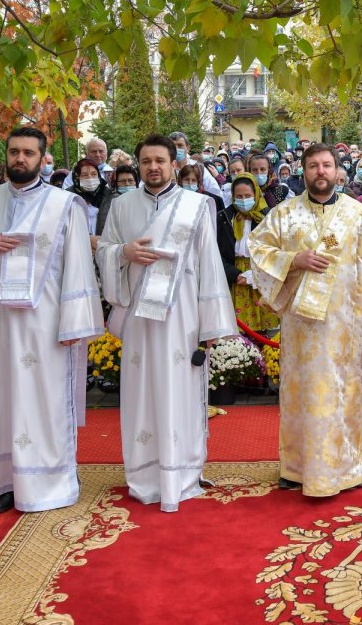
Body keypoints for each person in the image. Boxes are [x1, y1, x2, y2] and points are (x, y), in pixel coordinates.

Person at [0, 127, 103, 514]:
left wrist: (75, 324)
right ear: (6, 154)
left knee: (42, 401)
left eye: (29, 153)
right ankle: (3, 482)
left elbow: (79, 268)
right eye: (15, 152)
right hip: (0, 321)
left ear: (42, 158)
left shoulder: (65, 204)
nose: (21, 159)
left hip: (45, 323)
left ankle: (44, 483)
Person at [248, 144, 362, 496]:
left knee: (345, 394)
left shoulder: (358, 215)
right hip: (301, 329)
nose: (320, 172)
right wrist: (294, 260)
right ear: (304, 171)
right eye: (313, 166)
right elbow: (258, 252)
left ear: (339, 172)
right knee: (300, 394)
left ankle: (347, 467)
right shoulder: (283, 214)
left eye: (326, 165)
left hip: (345, 329)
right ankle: (295, 468)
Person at [97, 134, 237, 512]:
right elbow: (105, 251)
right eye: (146, 161)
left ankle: (183, 474)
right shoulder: (122, 206)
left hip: (183, 317)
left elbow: (209, 264)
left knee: (180, 391)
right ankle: (144, 477)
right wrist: (123, 252)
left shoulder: (197, 205)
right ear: (138, 165)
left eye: (160, 160)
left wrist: (210, 327)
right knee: (142, 392)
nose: (153, 167)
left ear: (174, 164)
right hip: (139, 318)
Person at [216, 174, 278, 333]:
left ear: (256, 194)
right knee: (237, 331)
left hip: (261, 277)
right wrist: (235, 274)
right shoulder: (224, 218)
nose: (243, 200)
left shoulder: (269, 218)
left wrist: (254, 275)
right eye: (239, 196)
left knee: (266, 333)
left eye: (248, 196)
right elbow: (217, 253)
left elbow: (276, 253)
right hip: (234, 278)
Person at [70, 158, 115, 250]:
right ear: (77, 177)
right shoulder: (68, 197)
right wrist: (87, 240)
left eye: (94, 174)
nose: (90, 178)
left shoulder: (109, 195)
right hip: (77, 250)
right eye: (85, 175)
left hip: (105, 250)